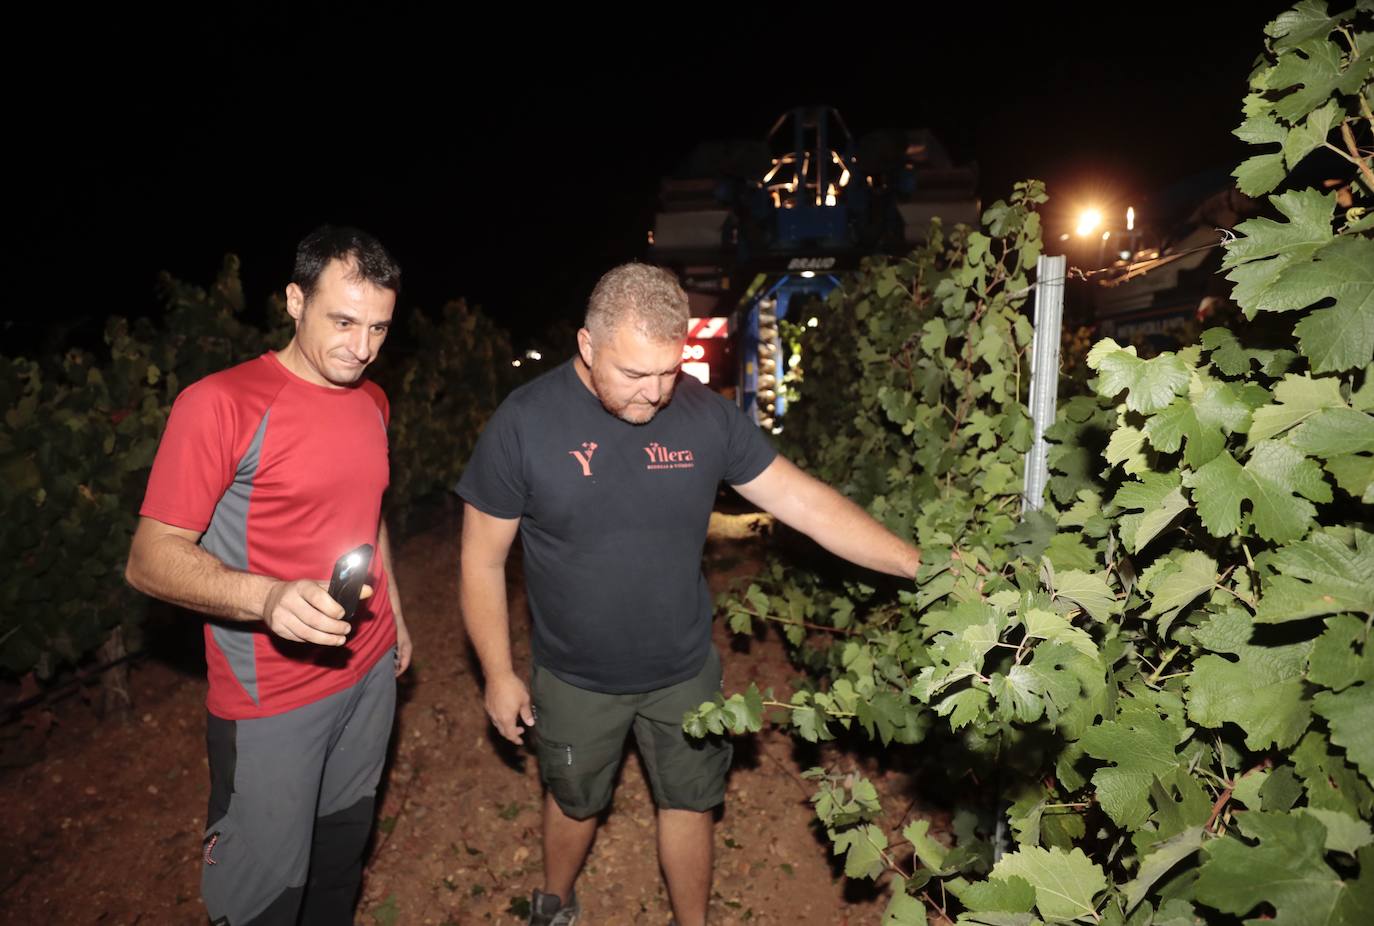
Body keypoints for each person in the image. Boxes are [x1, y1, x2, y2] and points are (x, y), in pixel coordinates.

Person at [457, 263, 919, 926]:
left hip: (682, 669)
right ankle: (556, 900)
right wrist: (498, 674)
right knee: (574, 798)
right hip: (574, 675)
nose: (653, 394)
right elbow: (481, 558)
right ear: (588, 347)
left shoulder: (706, 418)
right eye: (634, 374)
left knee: (690, 800)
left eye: (669, 372)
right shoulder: (524, 423)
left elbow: (805, 503)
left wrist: (914, 563)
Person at [125, 225, 412, 926]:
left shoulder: (372, 400)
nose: (362, 347)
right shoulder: (221, 404)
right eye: (343, 321)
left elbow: (367, 515)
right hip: (273, 702)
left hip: (368, 677)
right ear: (294, 299)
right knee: (262, 899)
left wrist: (395, 617)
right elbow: (149, 557)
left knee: (340, 860)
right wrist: (267, 597)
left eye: (378, 327)